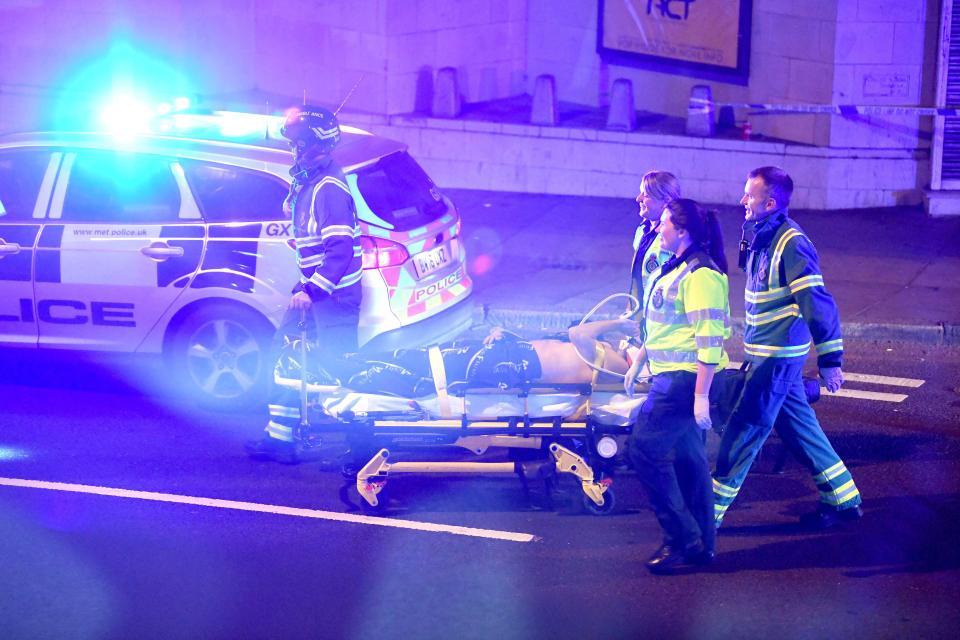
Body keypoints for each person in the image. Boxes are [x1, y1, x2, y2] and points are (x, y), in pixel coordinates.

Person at [712, 166, 863, 529]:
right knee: (799, 429)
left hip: (775, 361)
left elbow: (817, 301)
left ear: (771, 201)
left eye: (749, 195)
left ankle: (704, 520)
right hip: (766, 354)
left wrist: (831, 361)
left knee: (744, 431)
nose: (742, 201)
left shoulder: (791, 243)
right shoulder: (762, 234)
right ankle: (844, 501)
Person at [246, 105, 363, 463]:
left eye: (294, 144)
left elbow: (340, 250)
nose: (290, 150)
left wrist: (311, 290)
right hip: (316, 293)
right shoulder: (312, 180)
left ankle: (363, 443)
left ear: (310, 146)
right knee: (288, 360)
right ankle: (280, 438)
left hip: (333, 299)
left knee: (337, 369)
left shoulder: (327, 188)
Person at [623, 198, 731, 575]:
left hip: (683, 383)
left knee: (644, 451)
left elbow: (709, 338)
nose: (659, 227)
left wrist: (701, 395)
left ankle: (683, 539)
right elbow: (666, 325)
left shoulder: (700, 275)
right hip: (675, 377)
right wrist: (639, 361)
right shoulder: (680, 268)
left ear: (682, 230)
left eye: (665, 222)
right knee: (690, 463)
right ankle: (704, 544)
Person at [341, 318, 641, 396]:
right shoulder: (613, 355)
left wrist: (617, 324)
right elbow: (559, 338)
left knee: (430, 368)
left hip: (516, 366)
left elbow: (577, 333)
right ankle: (349, 363)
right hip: (515, 356)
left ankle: (343, 371)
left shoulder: (619, 369)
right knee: (426, 357)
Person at [628, 171, 681, 318]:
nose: (638, 198)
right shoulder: (642, 230)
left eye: (645, 195)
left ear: (666, 201)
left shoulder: (673, 238)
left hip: (658, 320)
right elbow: (637, 278)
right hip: (639, 314)